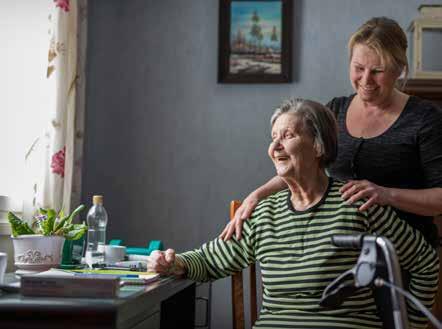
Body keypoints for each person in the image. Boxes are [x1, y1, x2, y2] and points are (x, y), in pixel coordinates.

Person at [149, 99, 438, 329]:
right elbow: (210, 260)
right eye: (273, 137)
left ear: (317, 145)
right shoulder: (263, 214)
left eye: (287, 136)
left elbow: (425, 262)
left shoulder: (357, 203)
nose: (275, 147)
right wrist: (173, 264)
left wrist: (410, 324)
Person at [220, 17, 442, 247]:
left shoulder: (425, 118)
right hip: (339, 251)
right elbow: (301, 164)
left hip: (405, 254)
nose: (366, 80)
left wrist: (387, 195)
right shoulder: (335, 110)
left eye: (378, 71)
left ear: (399, 70)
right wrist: (258, 194)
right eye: (358, 68)